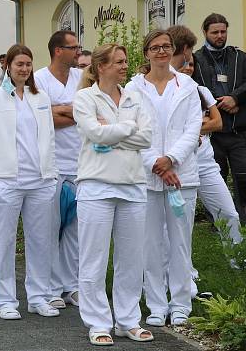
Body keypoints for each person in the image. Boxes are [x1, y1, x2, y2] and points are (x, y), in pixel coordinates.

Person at [73, 44, 154, 345]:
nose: (125, 66)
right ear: (101, 66)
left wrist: (116, 131)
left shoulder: (134, 97)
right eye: (118, 62)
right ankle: (97, 322)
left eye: (125, 61)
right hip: (96, 186)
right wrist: (127, 129)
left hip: (133, 186)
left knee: (131, 259)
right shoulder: (84, 98)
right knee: (93, 258)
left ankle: (128, 320)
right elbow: (95, 134)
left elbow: (146, 138)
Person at [126, 30, 202, 327]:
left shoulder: (188, 86)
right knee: (150, 244)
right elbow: (131, 130)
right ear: (146, 52)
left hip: (182, 176)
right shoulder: (133, 89)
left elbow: (192, 128)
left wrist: (170, 159)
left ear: (174, 51)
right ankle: (156, 304)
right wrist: (156, 164)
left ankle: (181, 303)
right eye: (155, 47)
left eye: (166, 47)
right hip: (146, 178)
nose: (161, 52)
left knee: (181, 244)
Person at [0, 44, 59, 320]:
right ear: (8, 67)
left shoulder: (41, 98)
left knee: (41, 242)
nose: (24, 69)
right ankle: (5, 300)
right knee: (3, 243)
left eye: (28, 64)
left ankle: (38, 297)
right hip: (6, 182)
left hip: (40, 181)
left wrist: (52, 173)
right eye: (19, 64)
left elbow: (49, 137)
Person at [169, 26, 242, 245]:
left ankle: (237, 261)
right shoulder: (161, 86)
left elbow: (217, 122)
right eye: (189, 57)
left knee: (229, 213)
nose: (190, 65)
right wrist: (196, 127)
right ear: (184, 50)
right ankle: (182, 273)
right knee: (179, 223)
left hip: (205, 162)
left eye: (192, 63)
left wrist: (193, 127)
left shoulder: (199, 89)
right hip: (178, 163)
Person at [191, 13, 246, 225]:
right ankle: (219, 225)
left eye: (223, 31)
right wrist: (213, 102)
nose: (220, 36)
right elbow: (190, 86)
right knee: (215, 181)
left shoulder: (241, 57)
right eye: (215, 32)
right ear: (205, 32)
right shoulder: (196, 59)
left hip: (240, 130)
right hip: (213, 133)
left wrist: (235, 98)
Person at [34, 30, 83, 310]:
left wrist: (61, 111)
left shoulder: (81, 78)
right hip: (51, 164)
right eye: (73, 47)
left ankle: (71, 286)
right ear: (57, 50)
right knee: (50, 228)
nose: (78, 51)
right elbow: (42, 117)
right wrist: (73, 112)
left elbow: (90, 112)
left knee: (76, 229)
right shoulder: (40, 79)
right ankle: (50, 288)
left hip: (79, 163)